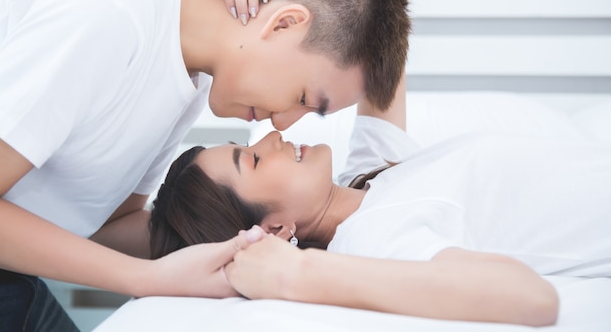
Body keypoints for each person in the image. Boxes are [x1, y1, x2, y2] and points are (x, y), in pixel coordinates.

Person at [0, 0, 411, 332]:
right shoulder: (105, 17)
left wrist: (243, 241)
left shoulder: (188, 75)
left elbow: (109, 224)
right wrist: (147, 279)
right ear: (284, 24)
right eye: (302, 98)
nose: (283, 126)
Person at [148, 70, 611, 327]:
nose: (269, 137)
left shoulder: (366, 180)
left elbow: (380, 33)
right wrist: (297, 273)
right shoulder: (373, 237)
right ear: (272, 231)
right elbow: (533, 300)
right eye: (251, 160)